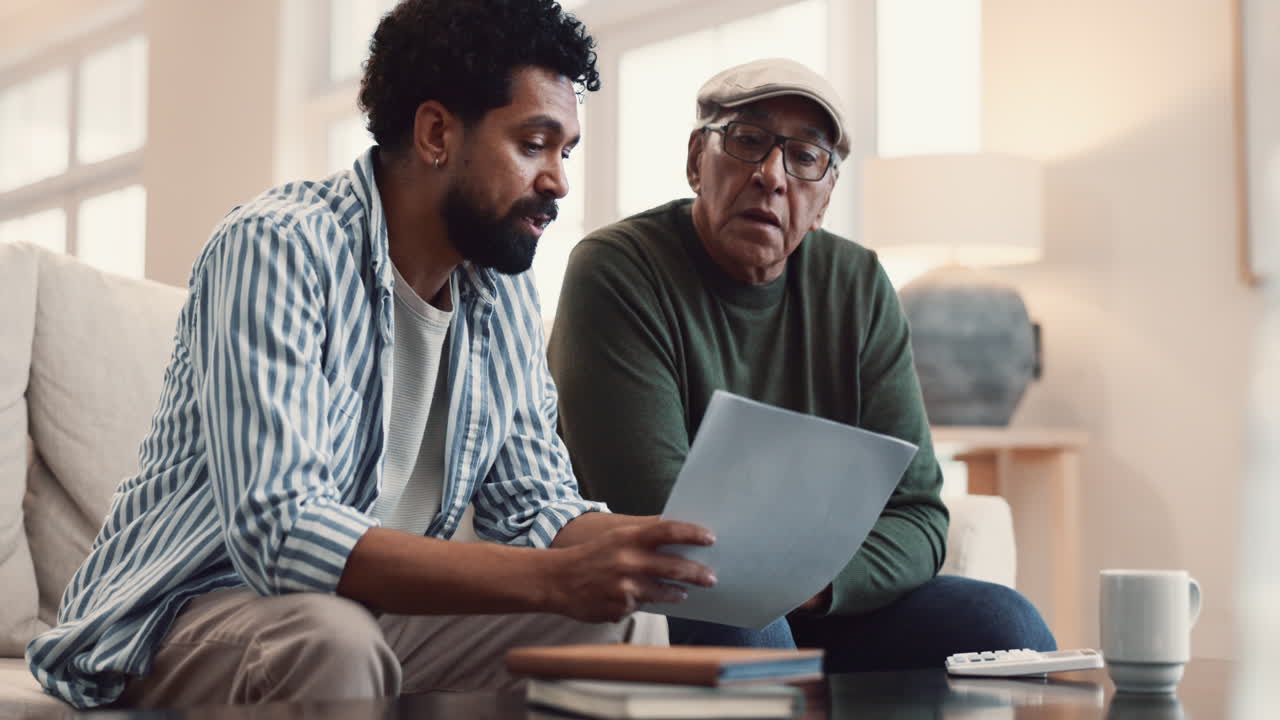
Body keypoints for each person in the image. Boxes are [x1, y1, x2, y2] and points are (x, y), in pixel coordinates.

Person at [26, 0, 718, 710]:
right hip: (187, 614)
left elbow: (534, 505)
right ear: (436, 132)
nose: (558, 181)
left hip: (367, 611)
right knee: (332, 640)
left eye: (565, 151)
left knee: (624, 624)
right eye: (533, 144)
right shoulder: (278, 247)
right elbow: (282, 529)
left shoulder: (500, 293)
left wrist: (659, 547)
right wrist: (550, 580)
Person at [547, 57, 1056, 671]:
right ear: (694, 161)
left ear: (825, 199)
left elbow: (919, 515)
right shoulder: (618, 269)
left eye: (805, 156)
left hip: (820, 607)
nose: (770, 175)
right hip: (670, 595)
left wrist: (816, 586)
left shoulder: (860, 286)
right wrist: (790, 576)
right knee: (747, 629)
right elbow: (661, 518)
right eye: (746, 140)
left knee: (1008, 624)